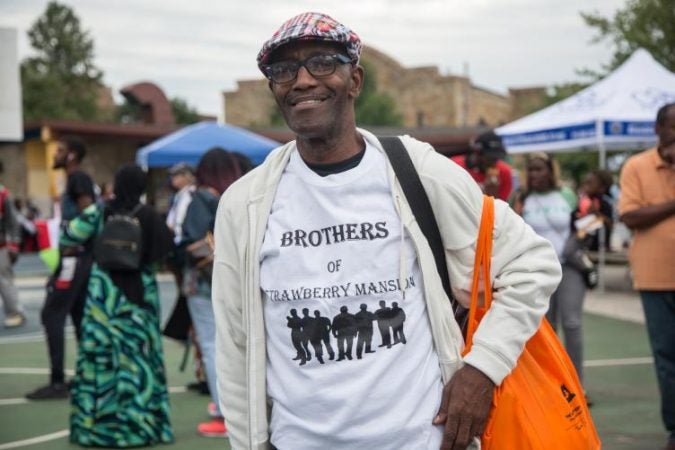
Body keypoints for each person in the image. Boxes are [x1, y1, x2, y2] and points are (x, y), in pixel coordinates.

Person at [212, 12, 561, 450]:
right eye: (284, 70)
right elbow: (234, 342)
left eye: (321, 63)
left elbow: (532, 264)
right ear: (274, 90)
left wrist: (482, 368)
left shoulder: (417, 171)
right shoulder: (245, 204)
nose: (301, 80)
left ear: (354, 80)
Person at [70, 165, 174, 447]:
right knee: (140, 361)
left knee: (100, 359)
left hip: (103, 295)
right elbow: (165, 248)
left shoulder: (99, 212)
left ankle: (95, 428)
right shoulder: (149, 215)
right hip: (140, 297)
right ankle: (142, 428)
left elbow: (69, 235)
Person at [618, 102, 675, 450]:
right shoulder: (637, 166)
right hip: (655, 278)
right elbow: (631, 216)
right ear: (657, 130)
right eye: (672, 127)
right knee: (667, 357)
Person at [181, 148, 249, 437]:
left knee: (211, 345)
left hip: (205, 282)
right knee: (240, 342)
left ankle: (224, 413)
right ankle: (240, 408)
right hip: (236, 278)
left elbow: (190, 242)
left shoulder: (200, 199)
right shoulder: (239, 194)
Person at [510, 152, 589, 392]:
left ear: (550, 171)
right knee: (546, 326)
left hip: (568, 266)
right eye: (531, 170)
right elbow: (510, 229)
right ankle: (552, 385)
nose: (535, 174)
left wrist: (576, 242)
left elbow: (586, 224)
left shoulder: (566, 195)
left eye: (540, 169)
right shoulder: (521, 197)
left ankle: (577, 384)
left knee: (572, 322)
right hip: (536, 270)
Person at [27, 136, 97, 399]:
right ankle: (86, 376)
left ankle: (58, 382)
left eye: (60, 150)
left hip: (74, 259)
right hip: (78, 259)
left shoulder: (78, 178)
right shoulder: (73, 179)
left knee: (51, 314)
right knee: (78, 316)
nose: (55, 154)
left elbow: (90, 214)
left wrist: (70, 242)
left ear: (72, 156)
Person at [451, 130, 513, 201]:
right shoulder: (455, 165)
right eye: (489, 158)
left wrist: (492, 193)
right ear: (477, 153)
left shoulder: (504, 172)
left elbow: (500, 209)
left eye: (496, 158)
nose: (493, 162)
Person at [0, 184, 24, 328]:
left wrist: (14, 244)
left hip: (1, 247)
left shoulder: (2, 195)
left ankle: (15, 313)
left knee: (5, 282)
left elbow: (13, 222)